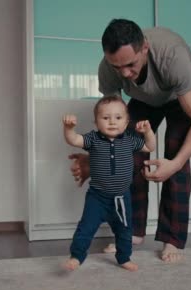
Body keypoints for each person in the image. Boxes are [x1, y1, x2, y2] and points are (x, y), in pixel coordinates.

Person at [69, 19, 191, 263]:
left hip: (179, 97)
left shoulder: (172, 56)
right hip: (144, 100)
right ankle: (133, 231)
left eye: (130, 64)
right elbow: (112, 128)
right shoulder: (107, 68)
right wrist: (96, 160)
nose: (125, 73)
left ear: (144, 48)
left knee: (174, 156)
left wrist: (175, 164)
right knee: (130, 152)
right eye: (117, 67)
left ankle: (173, 238)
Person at [62, 95, 156, 271]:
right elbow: (74, 140)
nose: (112, 122)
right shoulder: (93, 139)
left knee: (125, 230)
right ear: (96, 122)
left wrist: (148, 132)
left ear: (127, 121)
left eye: (118, 118)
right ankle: (76, 256)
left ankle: (124, 258)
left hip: (122, 198)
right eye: (106, 118)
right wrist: (68, 128)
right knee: (86, 228)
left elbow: (150, 147)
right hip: (97, 198)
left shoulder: (130, 140)